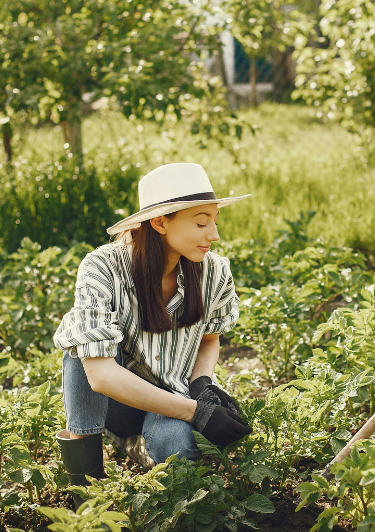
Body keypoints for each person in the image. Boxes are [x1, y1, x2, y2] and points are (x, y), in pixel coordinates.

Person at [52, 162, 253, 485]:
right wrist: (194, 412)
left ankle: (141, 447)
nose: (214, 235)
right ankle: (85, 485)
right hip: (116, 403)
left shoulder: (214, 272)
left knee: (179, 449)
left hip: (173, 395)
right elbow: (100, 376)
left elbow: (210, 338)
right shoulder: (103, 268)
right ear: (160, 222)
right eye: (202, 223)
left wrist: (201, 385)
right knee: (80, 349)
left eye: (215, 221)